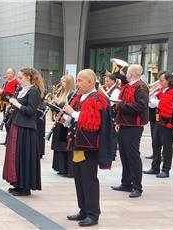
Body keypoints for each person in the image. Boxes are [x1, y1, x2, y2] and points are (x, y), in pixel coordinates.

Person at [62, 69, 112, 227]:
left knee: (89, 180)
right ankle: (83, 210)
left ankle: (93, 214)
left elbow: (92, 121)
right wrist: (66, 118)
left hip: (89, 147)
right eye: (77, 80)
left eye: (80, 80)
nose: (77, 83)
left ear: (91, 82)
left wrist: (73, 113)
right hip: (77, 144)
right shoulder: (79, 97)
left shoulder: (97, 98)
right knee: (79, 178)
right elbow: (76, 118)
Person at [3, 67, 44, 196]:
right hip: (18, 125)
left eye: (21, 78)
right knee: (16, 156)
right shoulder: (22, 90)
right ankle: (17, 184)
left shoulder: (33, 91)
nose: (19, 80)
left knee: (23, 157)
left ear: (29, 78)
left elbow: (31, 111)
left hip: (26, 129)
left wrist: (17, 104)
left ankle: (24, 187)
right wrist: (13, 109)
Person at [111, 64, 149, 198]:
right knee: (124, 155)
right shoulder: (130, 85)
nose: (125, 74)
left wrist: (121, 104)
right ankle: (126, 183)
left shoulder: (141, 87)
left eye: (127, 72)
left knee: (133, 156)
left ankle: (137, 187)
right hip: (125, 124)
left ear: (131, 74)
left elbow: (141, 106)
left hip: (134, 126)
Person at [143, 71, 173, 178]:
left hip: (168, 123)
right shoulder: (161, 92)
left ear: (169, 81)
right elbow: (154, 106)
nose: (160, 82)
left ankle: (166, 170)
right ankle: (155, 167)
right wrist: (150, 99)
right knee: (156, 144)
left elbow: (169, 106)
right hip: (158, 121)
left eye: (162, 80)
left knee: (167, 147)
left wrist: (155, 102)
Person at [51, 75, 75, 177]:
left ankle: (66, 168)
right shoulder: (62, 92)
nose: (62, 84)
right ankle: (59, 167)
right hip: (59, 120)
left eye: (64, 82)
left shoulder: (71, 94)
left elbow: (66, 107)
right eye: (61, 81)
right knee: (57, 144)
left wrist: (58, 103)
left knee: (63, 145)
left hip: (66, 122)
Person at [0, 68, 20, 145]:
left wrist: (5, 95)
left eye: (9, 73)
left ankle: (10, 141)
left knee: (10, 123)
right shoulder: (6, 83)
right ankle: (7, 140)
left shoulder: (16, 83)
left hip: (11, 105)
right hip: (5, 105)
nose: (7, 74)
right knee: (6, 123)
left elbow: (15, 95)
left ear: (13, 74)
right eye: (7, 73)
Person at [104, 73, 120, 160]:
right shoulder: (110, 89)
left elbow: (113, 102)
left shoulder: (116, 90)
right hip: (110, 114)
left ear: (113, 81)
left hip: (114, 114)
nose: (105, 83)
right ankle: (110, 152)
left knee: (113, 135)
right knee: (110, 134)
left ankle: (112, 154)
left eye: (107, 81)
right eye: (105, 81)